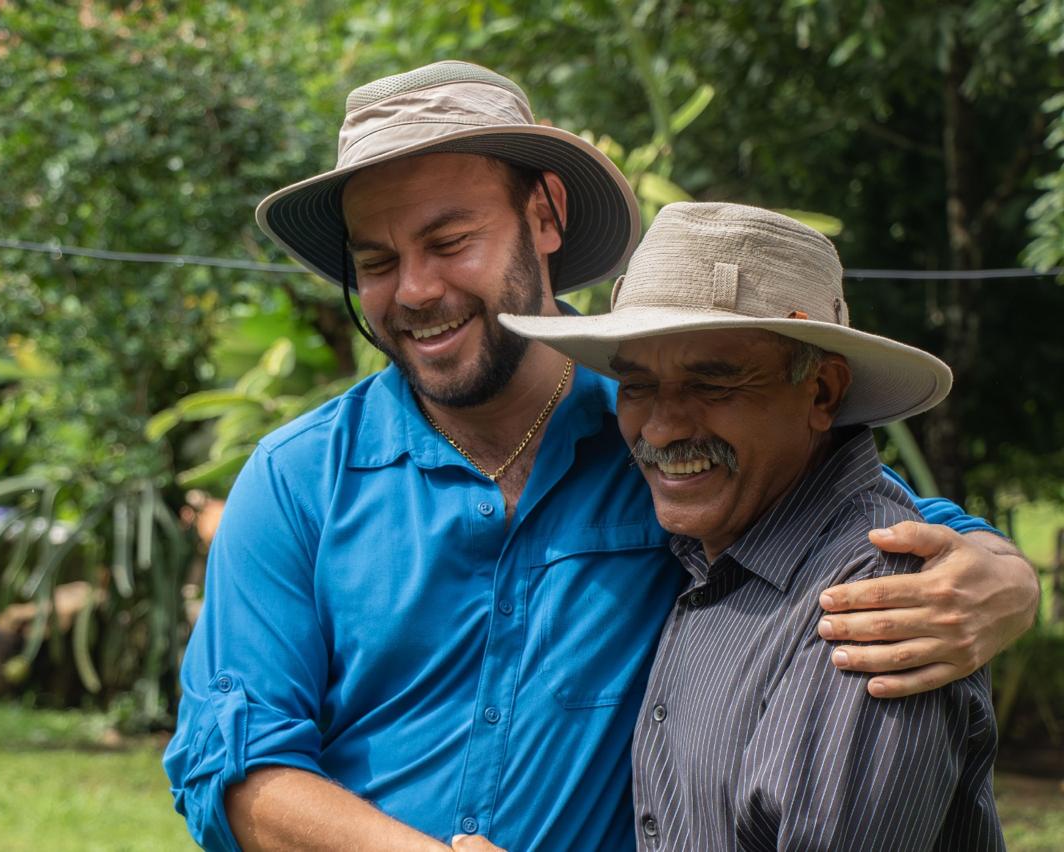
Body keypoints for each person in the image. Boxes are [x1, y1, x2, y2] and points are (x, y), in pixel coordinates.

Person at [163, 61, 1037, 851]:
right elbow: (229, 766)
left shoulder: (662, 445)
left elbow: (866, 524)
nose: (416, 289)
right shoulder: (297, 483)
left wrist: (1006, 578)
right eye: (378, 260)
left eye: (449, 241)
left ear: (544, 215)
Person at [501, 202, 1003, 850]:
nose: (661, 428)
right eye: (637, 386)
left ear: (821, 393)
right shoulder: (708, 549)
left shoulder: (875, 603)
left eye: (714, 383)